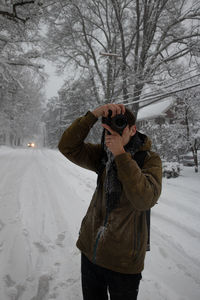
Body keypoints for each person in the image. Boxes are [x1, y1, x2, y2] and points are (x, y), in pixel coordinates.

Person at [58, 103, 162, 300]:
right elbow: (67, 146)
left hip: (124, 263)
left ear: (133, 129)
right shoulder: (103, 155)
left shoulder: (149, 159)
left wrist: (121, 155)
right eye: (110, 126)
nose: (114, 130)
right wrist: (93, 115)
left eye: (121, 124)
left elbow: (144, 199)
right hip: (91, 253)